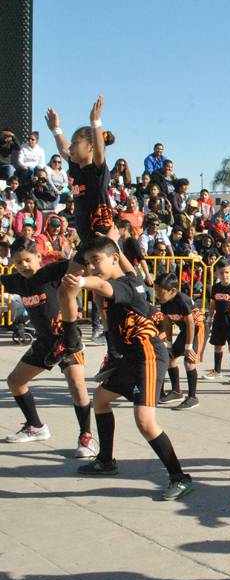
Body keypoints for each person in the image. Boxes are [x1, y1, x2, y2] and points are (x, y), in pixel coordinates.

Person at [63, 236, 192, 500]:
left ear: (112, 259)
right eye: (87, 263)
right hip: (130, 357)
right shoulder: (131, 275)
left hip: (149, 356)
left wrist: (81, 281)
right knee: (100, 400)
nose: (91, 267)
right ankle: (106, 461)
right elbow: (115, 258)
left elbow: (101, 284)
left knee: (145, 422)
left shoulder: (124, 285)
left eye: (95, 260)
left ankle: (179, 477)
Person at [44, 95, 128, 365]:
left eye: (77, 143)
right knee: (66, 291)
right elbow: (64, 148)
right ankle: (70, 340)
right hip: (87, 244)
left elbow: (100, 149)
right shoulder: (75, 168)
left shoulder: (96, 169)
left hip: (103, 242)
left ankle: (116, 351)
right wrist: (56, 129)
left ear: (90, 146)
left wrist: (95, 122)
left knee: (108, 299)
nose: (70, 149)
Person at [1, 238, 95, 456]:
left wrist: (88, 242)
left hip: (66, 339)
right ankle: (35, 427)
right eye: (18, 262)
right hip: (44, 343)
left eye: (27, 260)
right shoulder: (16, 282)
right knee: (15, 382)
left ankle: (86, 437)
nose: (23, 266)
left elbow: (78, 261)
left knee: (77, 386)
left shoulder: (51, 273)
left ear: (39, 257)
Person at [155, 273, 206, 411]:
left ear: (172, 291)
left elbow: (190, 323)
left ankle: (193, 398)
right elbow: (166, 322)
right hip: (185, 330)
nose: (157, 294)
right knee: (170, 357)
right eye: (156, 290)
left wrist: (189, 347)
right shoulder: (164, 301)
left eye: (160, 291)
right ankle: (176, 392)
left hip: (198, 328)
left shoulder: (182, 300)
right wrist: (169, 344)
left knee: (189, 362)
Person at [205, 260, 230, 384]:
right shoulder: (215, 287)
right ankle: (217, 371)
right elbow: (212, 304)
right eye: (221, 273)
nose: (224, 275)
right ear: (217, 273)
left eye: (227, 272)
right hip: (218, 320)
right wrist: (210, 319)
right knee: (218, 346)